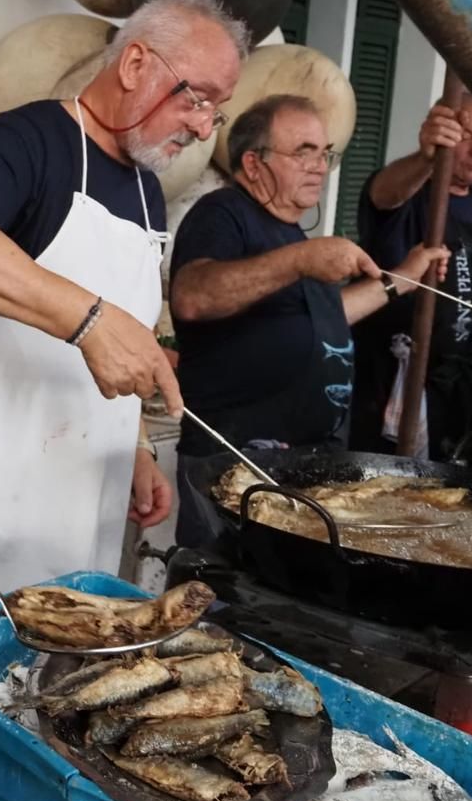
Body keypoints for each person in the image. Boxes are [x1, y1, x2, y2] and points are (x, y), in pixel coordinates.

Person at [0, 0, 246, 636]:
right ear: (134, 66)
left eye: (218, 108)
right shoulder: (28, 141)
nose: (205, 127)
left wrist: (130, 449)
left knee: (55, 658)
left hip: (73, 487)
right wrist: (90, 321)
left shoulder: (148, 193)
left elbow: (120, 335)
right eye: (197, 97)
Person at [167, 95, 448, 547]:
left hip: (301, 465)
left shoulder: (292, 235)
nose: (319, 166)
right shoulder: (224, 213)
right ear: (254, 163)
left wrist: (402, 281)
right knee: (220, 597)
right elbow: (194, 296)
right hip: (234, 463)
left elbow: (324, 318)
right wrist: (302, 259)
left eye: (324, 153)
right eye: (303, 151)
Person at [350, 97, 472, 458]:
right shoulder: (412, 191)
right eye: (467, 136)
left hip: (460, 390)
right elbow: (382, 195)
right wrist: (426, 159)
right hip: (398, 386)